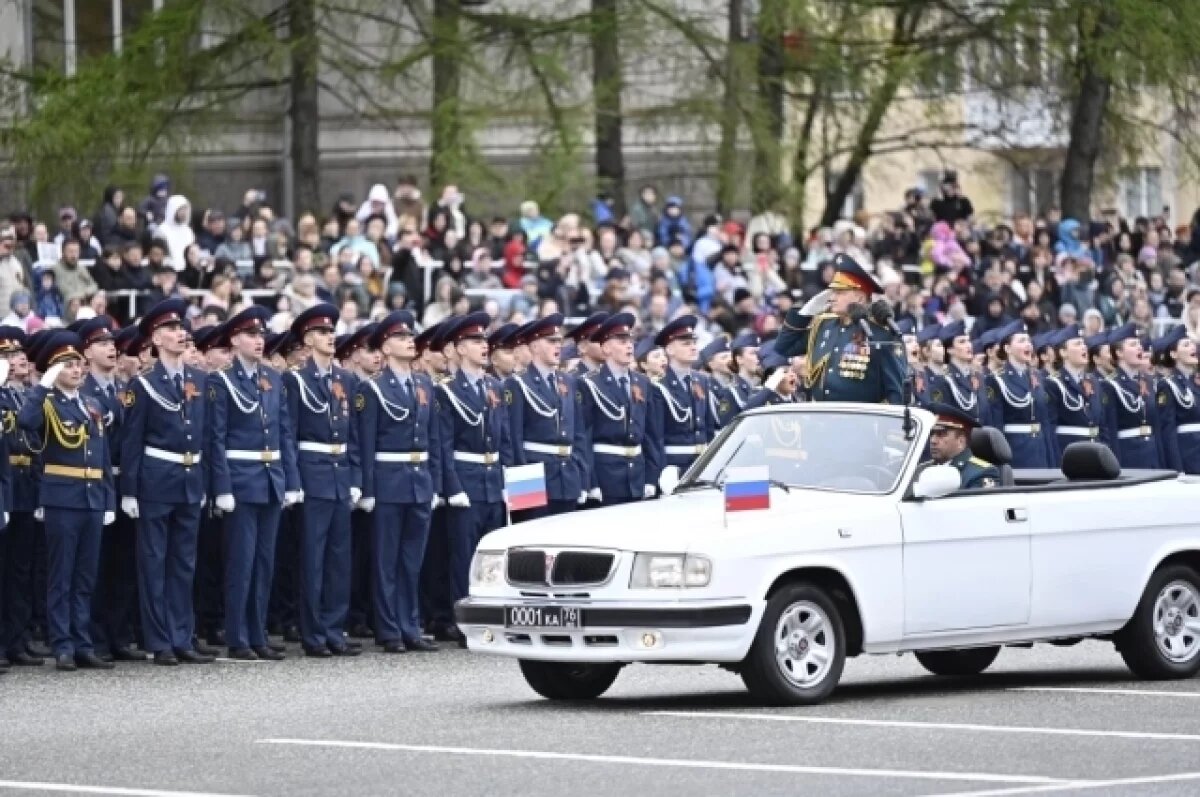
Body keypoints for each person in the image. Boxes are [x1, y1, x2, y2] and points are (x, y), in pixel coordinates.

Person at [118, 301, 213, 666]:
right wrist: (129, 490)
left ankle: (182, 636)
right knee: (154, 563)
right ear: (156, 338)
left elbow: (204, 436)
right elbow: (132, 441)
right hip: (156, 480)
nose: (180, 334)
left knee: (183, 564)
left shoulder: (198, 380)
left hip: (190, 480)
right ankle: (159, 641)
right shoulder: (143, 385)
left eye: (181, 329)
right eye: (171, 330)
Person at [206, 305, 302, 661]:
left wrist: (291, 480)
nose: (258, 341)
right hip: (241, 481)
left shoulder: (272, 379)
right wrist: (223, 488)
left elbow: (283, 434)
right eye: (251, 335)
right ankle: (238, 636)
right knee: (241, 563)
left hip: (270, 479)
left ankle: (257, 631)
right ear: (234, 340)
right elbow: (216, 438)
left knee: (264, 563)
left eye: (261, 335)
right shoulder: (222, 380)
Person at [18, 330, 115, 671]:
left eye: (78, 363)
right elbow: (26, 423)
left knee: (85, 577)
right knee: (62, 576)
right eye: (67, 365)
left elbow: (102, 457)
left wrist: (108, 500)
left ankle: (82, 641)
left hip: (91, 498)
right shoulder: (46, 402)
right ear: (52, 370)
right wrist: (41, 386)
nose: (76, 369)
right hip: (63, 499)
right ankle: (62, 644)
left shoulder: (91, 404)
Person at [356, 310, 441, 654]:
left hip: (419, 480)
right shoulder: (373, 388)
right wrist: (368, 489)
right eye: (402, 338)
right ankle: (389, 628)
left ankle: (411, 625)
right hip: (388, 481)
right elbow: (366, 443)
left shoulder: (424, 384)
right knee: (386, 560)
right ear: (386, 348)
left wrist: (433, 483)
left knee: (411, 561)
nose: (410, 341)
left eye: (410, 336)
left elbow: (432, 439)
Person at [286, 304, 363, 658]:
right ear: (307, 340)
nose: (330, 339)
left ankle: (335, 629)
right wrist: (294, 479)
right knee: (312, 559)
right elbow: (289, 433)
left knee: (338, 559)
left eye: (332, 333)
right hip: (312, 472)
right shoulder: (296, 380)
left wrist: (356, 476)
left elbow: (355, 436)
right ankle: (313, 632)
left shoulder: (345, 380)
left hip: (339, 473)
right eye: (322, 333)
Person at [436, 312, 511, 645]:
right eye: (476, 342)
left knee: (495, 556)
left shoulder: (494, 387)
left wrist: (515, 488)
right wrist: (452, 487)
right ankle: (462, 621)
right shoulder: (448, 391)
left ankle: (491, 619)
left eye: (484, 341)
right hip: (466, 479)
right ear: (459, 349)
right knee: (463, 557)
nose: (484, 347)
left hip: (493, 479)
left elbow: (506, 441)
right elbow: (444, 444)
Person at [75, 316, 141, 663]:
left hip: (122, 481)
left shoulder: (122, 390)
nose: (111, 349)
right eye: (102, 344)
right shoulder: (82, 393)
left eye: (112, 344)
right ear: (86, 352)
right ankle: (95, 636)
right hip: (97, 482)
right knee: (96, 566)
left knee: (123, 563)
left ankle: (118, 634)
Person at [774, 254, 905, 404]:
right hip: (823, 418)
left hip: (862, 421)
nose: (831, 297)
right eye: (832, 292)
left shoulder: (881, 332)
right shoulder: (823, 326)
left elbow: (896, 390)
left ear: (860, 298)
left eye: (840, 292)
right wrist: (805, 311)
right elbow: (784, 347)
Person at [503, 314, 589, 519]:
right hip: (533, 475)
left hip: (567, 475)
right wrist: (521, 489)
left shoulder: (568, 381)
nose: (558, 346)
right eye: (551, 341)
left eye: (559, 340)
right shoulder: (518, 383)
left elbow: (578, 434)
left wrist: (582, 477)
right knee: (532, 543)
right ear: (533, 347)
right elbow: (514, 439)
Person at [578, 312, 655, 507]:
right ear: (606, 348)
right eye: (621, 341)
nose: (629, 345)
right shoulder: (589, 383)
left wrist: (651, 477)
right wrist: (591, 482)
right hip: (606, 477)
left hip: (637, 475)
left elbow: (650, 435)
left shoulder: (642, 382)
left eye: (630, 340)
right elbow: (584, 437)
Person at [0, 327, 42, 667]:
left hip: (26, 485)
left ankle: (17, 640)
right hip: (6, 484)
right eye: (10, 355)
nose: (19, 360)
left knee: (20, 569)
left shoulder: (28, 396)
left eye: (20, 354)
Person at [646, 315, 711, 493]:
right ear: (670, 350)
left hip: (702, 466)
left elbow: (708, 428)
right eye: (685, 343)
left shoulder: (701, 381)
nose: (693, 347)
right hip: (674, 468)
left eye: (693, 342)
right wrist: (659, 473)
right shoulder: (659, 386)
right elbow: (656, 437)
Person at [985, 320, 1057, 469]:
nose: (1028, 345)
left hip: (1040, 451)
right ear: (1007, 348)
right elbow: (996, 426)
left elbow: (1045, 422)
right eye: (1022, 341)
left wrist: (1052, 460)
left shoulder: (1037, 377)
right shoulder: (997, 380)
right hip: (1015, 453)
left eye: (1029, 341)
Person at [1100, 323, 1163, 470]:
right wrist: (1115, 467)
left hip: (1152, 456)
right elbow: (1111, 430)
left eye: (1139, 344)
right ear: (1119, 353)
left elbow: (1156, 427)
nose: (1139, 347)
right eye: (1133, 344)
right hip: (1128, 457)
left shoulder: (1148, 381)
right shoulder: (1110, 385)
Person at [1044, 324, 1106, 451]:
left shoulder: (1093, 381)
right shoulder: (1054, 383)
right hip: (1070, 452)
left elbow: (1103, 426)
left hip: (1096, 451)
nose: (1084, 347)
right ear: (1063, 352)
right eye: (1077, 344)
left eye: (1084, 344)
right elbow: (1050, 428)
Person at [1154, 327, 1200, 474]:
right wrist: (1177, 468)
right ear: (1174, 354)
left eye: (1192, 344)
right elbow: (1168, 431)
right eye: (1186, 345)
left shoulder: (1195, 382)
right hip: (1188, 455)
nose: (1193, 347)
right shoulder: (1168, 385)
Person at [924, 402, 1000, 489]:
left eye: (941, 434)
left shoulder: (980, 473)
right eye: (932, 433)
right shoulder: (923, 470)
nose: (933, 440)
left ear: (961, 441)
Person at [927, 320, 987, 424]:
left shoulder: (978, 377)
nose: (968, 345)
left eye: (969, 341)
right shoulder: (944, 379)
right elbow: (943, 418)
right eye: (962, 342)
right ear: (950, 349)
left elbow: (987, 414)